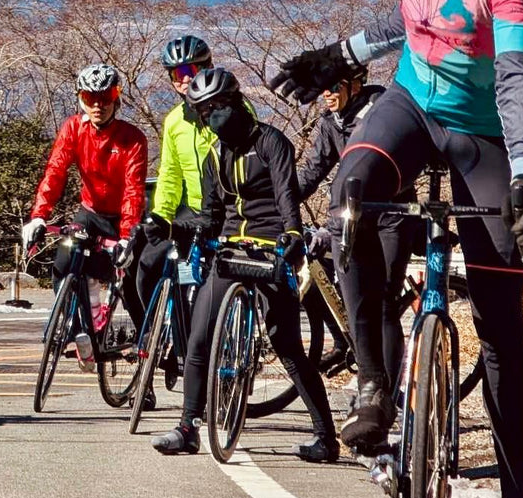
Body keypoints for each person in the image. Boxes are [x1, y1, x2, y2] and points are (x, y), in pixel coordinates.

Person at [270, 0, 523, 498]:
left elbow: (516, 66)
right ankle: (371, 384)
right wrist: (343, 49)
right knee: (350, 197)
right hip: (410, 103)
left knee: (499, 324)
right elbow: (419, 13)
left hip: (486, 126)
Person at [152, 68, 338, 463]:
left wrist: (291, 234)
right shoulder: (213, 154)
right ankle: (188, 427)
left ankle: (326, 436)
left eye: (215, 108)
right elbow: (210, 213)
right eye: (202, 112)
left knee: (287, 344)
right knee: (200, 336)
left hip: (272, 246)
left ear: (234, 103)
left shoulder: (271, 142)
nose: (210, 117)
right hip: (230, 250)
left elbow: (288, 196)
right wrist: (174, 226)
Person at [21, 64, 148, 365]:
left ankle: (145, 357)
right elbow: (55, 171)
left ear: (117, 99)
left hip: (122, 218)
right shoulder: (73, 129)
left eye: (106, 96)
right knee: (65, 261)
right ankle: (79, 331)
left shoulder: (132, 138)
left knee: (131, 286)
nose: (98, 105)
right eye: (90, 97)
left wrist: (128, 235)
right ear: (80, 99)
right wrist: (39, 215)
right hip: (90, 212)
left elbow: (133, 190)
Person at [295, 66, 407, 380]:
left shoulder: (381, 110)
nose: (326, 95)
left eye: (332, 87)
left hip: (390, 216)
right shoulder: (331, 122)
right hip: (350, 217)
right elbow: (312, 171)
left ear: (354, 85)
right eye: (322, 89)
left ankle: (385, 387)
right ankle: (342, 343)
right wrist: (277, 199)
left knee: (384, 302)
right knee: (354, 300)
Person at [132, 35, 216, 327]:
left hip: (226, 214)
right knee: (147, 263)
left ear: (206, 68)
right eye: (176, 74)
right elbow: (170, 173)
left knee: (204, 284)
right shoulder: (174, 121)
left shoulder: (228, 111)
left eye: (189, 71)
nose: (183, 79)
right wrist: (161, 216)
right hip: (191, 211)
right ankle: (159, 335)